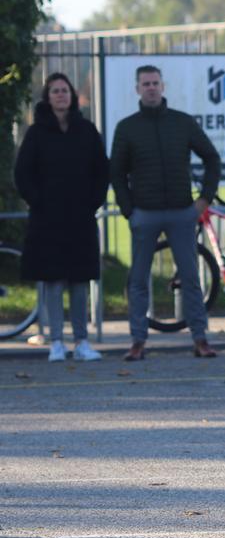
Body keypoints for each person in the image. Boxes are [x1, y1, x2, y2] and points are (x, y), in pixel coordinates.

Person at [110, 64, 221, 361]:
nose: (151, 88)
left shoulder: (182, 123)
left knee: (191, 277)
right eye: (145, 83)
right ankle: (137, 341)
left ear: (163, 86)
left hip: (182, 212)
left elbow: (212, 158)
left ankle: (200, 339)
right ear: (137, 89)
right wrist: (128, 210)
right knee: (138, 280)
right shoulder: (127, 127)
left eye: (155, 83)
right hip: (143, 214)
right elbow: (116, 173)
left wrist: (204, 199)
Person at [13, 73, 108, 363]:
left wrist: (92, 201)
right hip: (48, 219)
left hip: (80, 217)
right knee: (53, 282)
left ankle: (81, 341)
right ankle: (56, 340)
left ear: (72, 95)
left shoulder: (87, 130)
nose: (60, 95)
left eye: (64, 90)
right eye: (54, 91)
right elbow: (22, 174)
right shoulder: (36, 133)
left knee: (80, 281)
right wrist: (39, 201)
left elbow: (101, 170)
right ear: (48, 96)